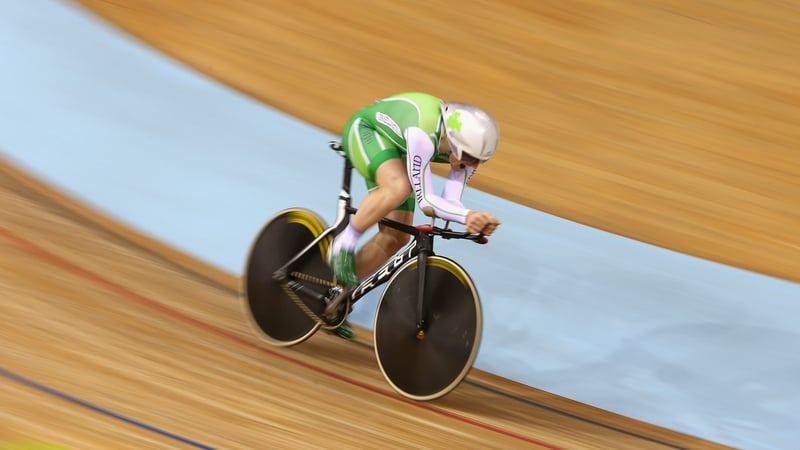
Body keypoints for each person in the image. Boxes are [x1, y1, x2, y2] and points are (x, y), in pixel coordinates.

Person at [328, 92, 501, 339]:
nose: (472, 166)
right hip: (367, 131)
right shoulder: (424, 132)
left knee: (396, 237)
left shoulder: (464, 152)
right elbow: (428, 202)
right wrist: (467, 216)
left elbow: (450, 202)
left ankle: (336, 297)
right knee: (399, 187)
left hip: (397, 149)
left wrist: (472, 218)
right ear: (453, 142)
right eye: (470, 159)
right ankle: (343, 244)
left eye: (479, 161)